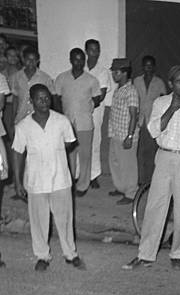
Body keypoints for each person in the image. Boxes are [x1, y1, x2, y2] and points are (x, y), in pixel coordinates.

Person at [123, 66, 180, 270]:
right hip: (163, 157)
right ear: (171, 83)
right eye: (179, 81)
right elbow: (153, 130)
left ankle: (177, 253)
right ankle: (145, 254)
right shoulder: (160, 103)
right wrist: (172, 109)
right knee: (155, 207)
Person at [12, 84, 81, 271]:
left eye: (47, 98)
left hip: (60, 179)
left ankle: (70, 253)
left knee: (65, 219)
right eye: (39, 98)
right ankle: (42, 255)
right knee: (38, 221)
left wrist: (53, 153)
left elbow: (69, 144)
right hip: (36, 181)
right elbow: (18, 154)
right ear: (31, 101)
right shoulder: (23, 126)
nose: (44, 102)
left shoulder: (62, 121)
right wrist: (18, 182)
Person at [54, 47, 101, 196]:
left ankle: (82, 185)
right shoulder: (61, 78)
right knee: (69, 154)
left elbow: (97, 98)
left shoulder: (91, 80)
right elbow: (56, 97)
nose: (79, 62)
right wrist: (60, 117)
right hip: (66, 123)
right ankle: (69, 182)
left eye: (81, 59)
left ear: (84, 60)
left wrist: (88, 107)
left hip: (85, 123)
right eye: (75, 59)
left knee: (85, 155)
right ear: (70, 60)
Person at [108, 58, 139, 205]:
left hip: (126, 135)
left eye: (116, 72)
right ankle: (121, 187)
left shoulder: (131, 91)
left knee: (128, 166)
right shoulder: (119, 89)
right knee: (115, 162)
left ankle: (131, 193)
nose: (114, 74)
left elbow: (134, 115)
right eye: (113, 71)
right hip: (116, 133)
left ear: (125, 73)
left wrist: (130, 136)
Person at [133, 55, 167, 185]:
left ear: (154, 67)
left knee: (151, 153)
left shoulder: (159, 83)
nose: (148, 68)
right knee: (139, 153)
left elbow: (164, 101)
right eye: (146, 65)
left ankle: (149, 180)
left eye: (150, 65)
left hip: (153, 122)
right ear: (142, 67)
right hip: (139, 121)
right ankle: (140, 180)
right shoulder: (136, 81)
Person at [85, 39, 113, 190]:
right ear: (86, 51)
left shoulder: (102, 72)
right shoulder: (79, 68)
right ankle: (80, 174)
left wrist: (84, 103)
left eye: (96, 50)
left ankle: (93, 175)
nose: (94, 53)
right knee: (79, 143)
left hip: (95, 112)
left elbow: (101, 96)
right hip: (78, 112)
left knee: (94, 143)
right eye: (91, 50)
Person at [9, 47, 54, 126]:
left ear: (38, 61)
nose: (31, 62)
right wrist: (13, 118)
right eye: (28, 60)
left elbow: (50, 99)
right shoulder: (16, 77)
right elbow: (15, 99)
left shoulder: (45, 78)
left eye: (34, 60)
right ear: (23, 60)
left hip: (39, 119)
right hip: (21, 118)